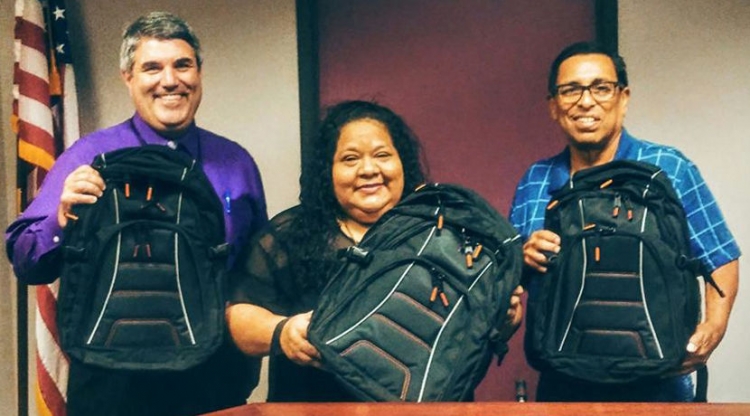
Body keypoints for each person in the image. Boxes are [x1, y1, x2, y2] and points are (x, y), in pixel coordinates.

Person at [5, 11, 268, 416]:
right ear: (128, 77)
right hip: (112, 380)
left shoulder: (236, 163)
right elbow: (26, 259)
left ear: (199, 72)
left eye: (182, 65)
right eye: (152, 67)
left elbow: (256, 270)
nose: (170, 80)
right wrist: (60, 218)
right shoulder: (89, 157)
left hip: (211, 378)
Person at [226, 100, 525, 402]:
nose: (369, 169)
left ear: (402, 164)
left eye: (382, 155)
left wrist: (503, 319)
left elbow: (473, 338)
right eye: (350, 158)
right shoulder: (291, 233)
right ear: (327, 171)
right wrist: (282, 332)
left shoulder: (447, 231)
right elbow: (238, 317)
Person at [509, 41, 740, 402]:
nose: (586, 101)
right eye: (571, 90)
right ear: (553, 106)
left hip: (658, 382)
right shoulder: (536, 180)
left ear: (624, 97)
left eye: (601, 88)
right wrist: (522, 258)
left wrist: (713, 327)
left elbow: (720, 255)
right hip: (563, 380)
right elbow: (510, 281)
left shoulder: (669, 168)